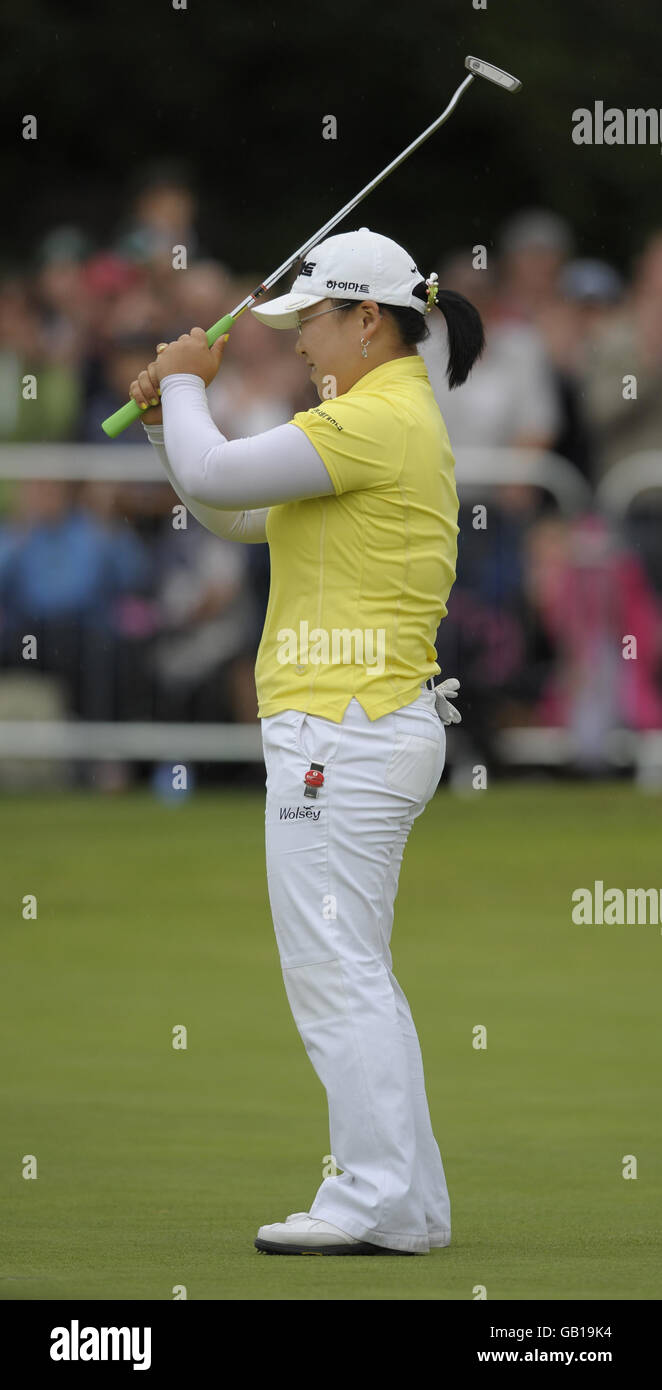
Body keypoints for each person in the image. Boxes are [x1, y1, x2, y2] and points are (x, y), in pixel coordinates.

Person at [129, 227, 485, 1256]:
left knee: (335, 970)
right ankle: (403, 1202)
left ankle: (373, 1196)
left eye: (310, 323)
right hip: (359, 727)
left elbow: (223, 470)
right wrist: (169, 420)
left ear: (365, 319)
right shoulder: (373, 414)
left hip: (345, 729)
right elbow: (234, 507)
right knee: (350, 966)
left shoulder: (377, 417)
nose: (295, 345)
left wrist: (189, 383)